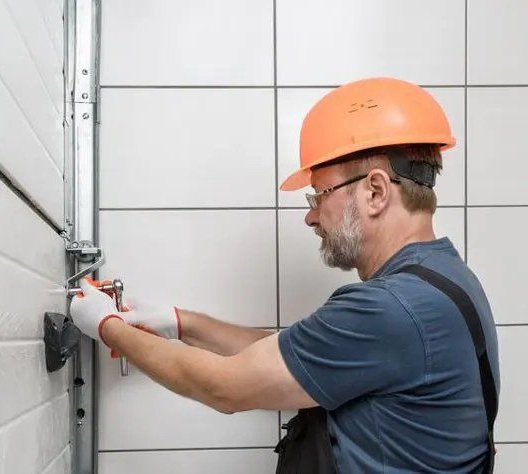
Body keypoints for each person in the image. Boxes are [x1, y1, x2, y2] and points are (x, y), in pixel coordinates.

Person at [70, 77, 500, 473]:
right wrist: (180, 323)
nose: (311, 217)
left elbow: (224, 388)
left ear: (375, 191)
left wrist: (108, 327)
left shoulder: (391, 309)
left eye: (320, 195)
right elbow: (299, 355)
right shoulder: (442, 279)